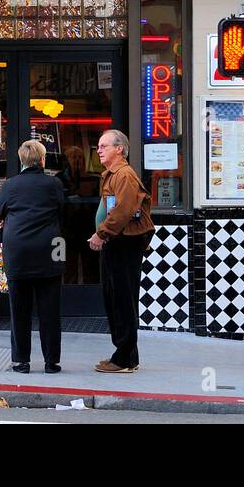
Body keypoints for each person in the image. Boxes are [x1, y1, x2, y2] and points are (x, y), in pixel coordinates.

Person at [0, 139, 65, 374]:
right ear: (43, 160)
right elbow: (61, 209)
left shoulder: (10, 185)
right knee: (50, 310)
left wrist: (0, 241)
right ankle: (51, 362)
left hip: (17, 252)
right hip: (50, 250)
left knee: (19, 310)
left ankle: (21, 361)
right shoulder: (54, 184)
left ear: (21, 160)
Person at [88, 129, 155, 373]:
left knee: (122, 300)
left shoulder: (123, 174)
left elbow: (123, 210)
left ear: (120, 148)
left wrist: (101, 233)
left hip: (123, 242)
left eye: (104, 145)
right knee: (116, 298)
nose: (99, 150)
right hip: (117, 241)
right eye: (98, 146)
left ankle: (124, 358)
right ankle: (126, 356)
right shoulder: (113, 174)